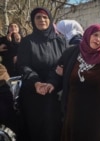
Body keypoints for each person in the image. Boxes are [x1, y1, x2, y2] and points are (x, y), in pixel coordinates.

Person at [36, 24, 100, 141]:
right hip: (75, 110)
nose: (98, 39)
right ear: (87, 34)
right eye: (95, 35)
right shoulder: (71, 53)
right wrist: (52, 83)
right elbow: (57, 72)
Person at [16, 7, 67, 141]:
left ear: (50, 20)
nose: (42, 20)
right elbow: (23, 66)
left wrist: (52, 82)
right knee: (36, 129)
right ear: (33, 20)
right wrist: (36, 82)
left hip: (55, 91)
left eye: (45, 17)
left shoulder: (60, 41)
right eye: (38, 17)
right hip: (34, 93)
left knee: (56, 128)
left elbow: (62, 65)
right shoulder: (27, 42)